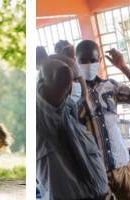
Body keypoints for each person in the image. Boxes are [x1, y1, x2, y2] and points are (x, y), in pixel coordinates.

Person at [75, 40, 130, 200]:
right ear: (76, 62)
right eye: (83, 61)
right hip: (95, 170)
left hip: (123, 163)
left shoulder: (111, 86)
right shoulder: (72, 92)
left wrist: (122, 67)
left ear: (100, 61)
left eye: (93, 60)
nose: (88, 65)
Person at [37, 57, 108, 199]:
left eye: (76, 80)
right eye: (72, 80)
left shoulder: (69, 114)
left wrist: (73, 66)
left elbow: (82, 94)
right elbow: (64, 75)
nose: (74, 83)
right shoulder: (46, 116)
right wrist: (42, 60)